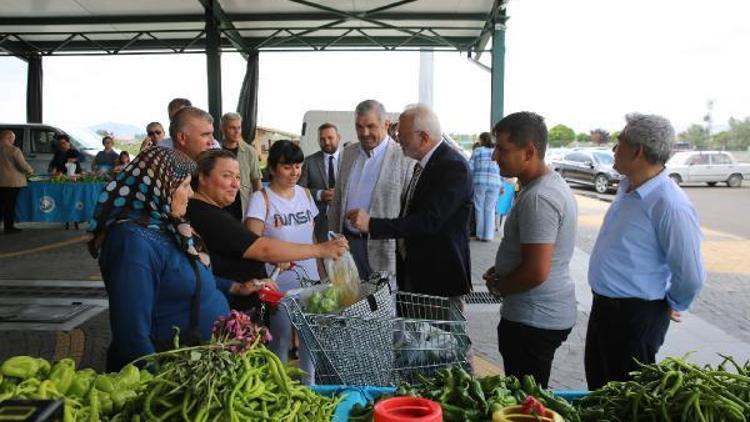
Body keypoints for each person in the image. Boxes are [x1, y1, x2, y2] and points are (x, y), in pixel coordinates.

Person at [87, 147, 261, 371]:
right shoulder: (131, 241)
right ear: (160, 187)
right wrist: (156, 385)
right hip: (166, 368)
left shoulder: (167, 226)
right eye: (185, 185)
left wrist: (235, 287)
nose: (190, 194)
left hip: (194, 362)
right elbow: (131, 333)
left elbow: (182, 275)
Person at [585, 114, 705, 390]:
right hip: (605, 308)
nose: (614, 149)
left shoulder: (669, 203)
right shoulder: (628, 187)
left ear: (637, 151)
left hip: (635, 318)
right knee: (600, 391)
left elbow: (690, 273)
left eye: (620, 142)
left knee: (625, 398)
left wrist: (673, 303)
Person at [482, 111, 577, 389]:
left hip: (534, 320)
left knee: (527, 403)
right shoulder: (541, 187)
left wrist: (501, 285)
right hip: (535, 316)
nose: (494, 156)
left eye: (502, 149)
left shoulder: (540, 197)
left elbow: (536, 271)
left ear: (529, 152)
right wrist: (501, 270)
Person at [187, 148, 348, 312]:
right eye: (227, 176)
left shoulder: (211, 210)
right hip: (231, 311)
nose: (236, 184)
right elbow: (260, 248)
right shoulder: (207, 214)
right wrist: (321, 249)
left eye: (238, 177)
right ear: (202, 177)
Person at [345, 105, 473, 306]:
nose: (397, 138)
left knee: (441, 336)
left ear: (423, 137)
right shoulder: (425, 164)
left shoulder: (452, 166)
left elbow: (428, 221)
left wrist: (372, 224)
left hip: (439, 280)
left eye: (401, 134)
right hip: (418, 274)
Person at [244, 140, 324, 384]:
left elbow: (312, 237)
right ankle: (278, 389)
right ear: (273, 168)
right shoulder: (261, 198)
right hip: (278, 285)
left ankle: (309, 388)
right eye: (288, 166)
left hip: (309, 280)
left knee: (311, 338)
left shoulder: (305, 194)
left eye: (298, 166)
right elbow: (251, 244)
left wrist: (321, 270)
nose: (295, 172)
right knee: (279, 339)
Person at [329, 99, 414, 280]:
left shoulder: (404, 157)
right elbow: (337, 200)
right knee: (348, 302)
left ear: (386, 124)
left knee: (381, 305)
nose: (364, 133)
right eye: (359, 127)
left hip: (383, 248)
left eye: (371, 126)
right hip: (346, 245)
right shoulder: (348, 154)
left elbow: (408, 211)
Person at [299, 122, 341, 242]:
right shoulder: (309, 161)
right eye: (322, 139)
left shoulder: (350, 160)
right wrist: (319, 194)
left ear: (338, 137)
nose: (326, 142)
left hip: (345, 221)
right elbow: (299, 190)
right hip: (319, 223)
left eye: (330, 138)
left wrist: (340, 193)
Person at [219, 112, 262, 220]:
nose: (237, 131)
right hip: (220, 204)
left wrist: (259, 207)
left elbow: (256, 180)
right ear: (223, 128)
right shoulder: (215, 151)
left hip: (242, 205)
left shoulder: (249, 152)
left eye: (239, 127)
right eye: (232, 128)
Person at [470, 132, 503, 242]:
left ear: (482, 140)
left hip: (479, 182)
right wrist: (501, 184)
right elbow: (501, 169)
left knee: (479, 208)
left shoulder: (477, 151)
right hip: (495, 183)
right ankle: (488, 236)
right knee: (490, 209)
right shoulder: (497, 151)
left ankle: (479, 235)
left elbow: (470, 167)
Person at [0, 130, 34, 234]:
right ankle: (9, 227)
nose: (13, 141)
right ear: (9, 138)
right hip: (12, 183)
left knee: (1, 205)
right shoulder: (13, 150)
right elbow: (22, 165)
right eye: (13, 139)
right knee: (10, 206)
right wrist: (31, 171)